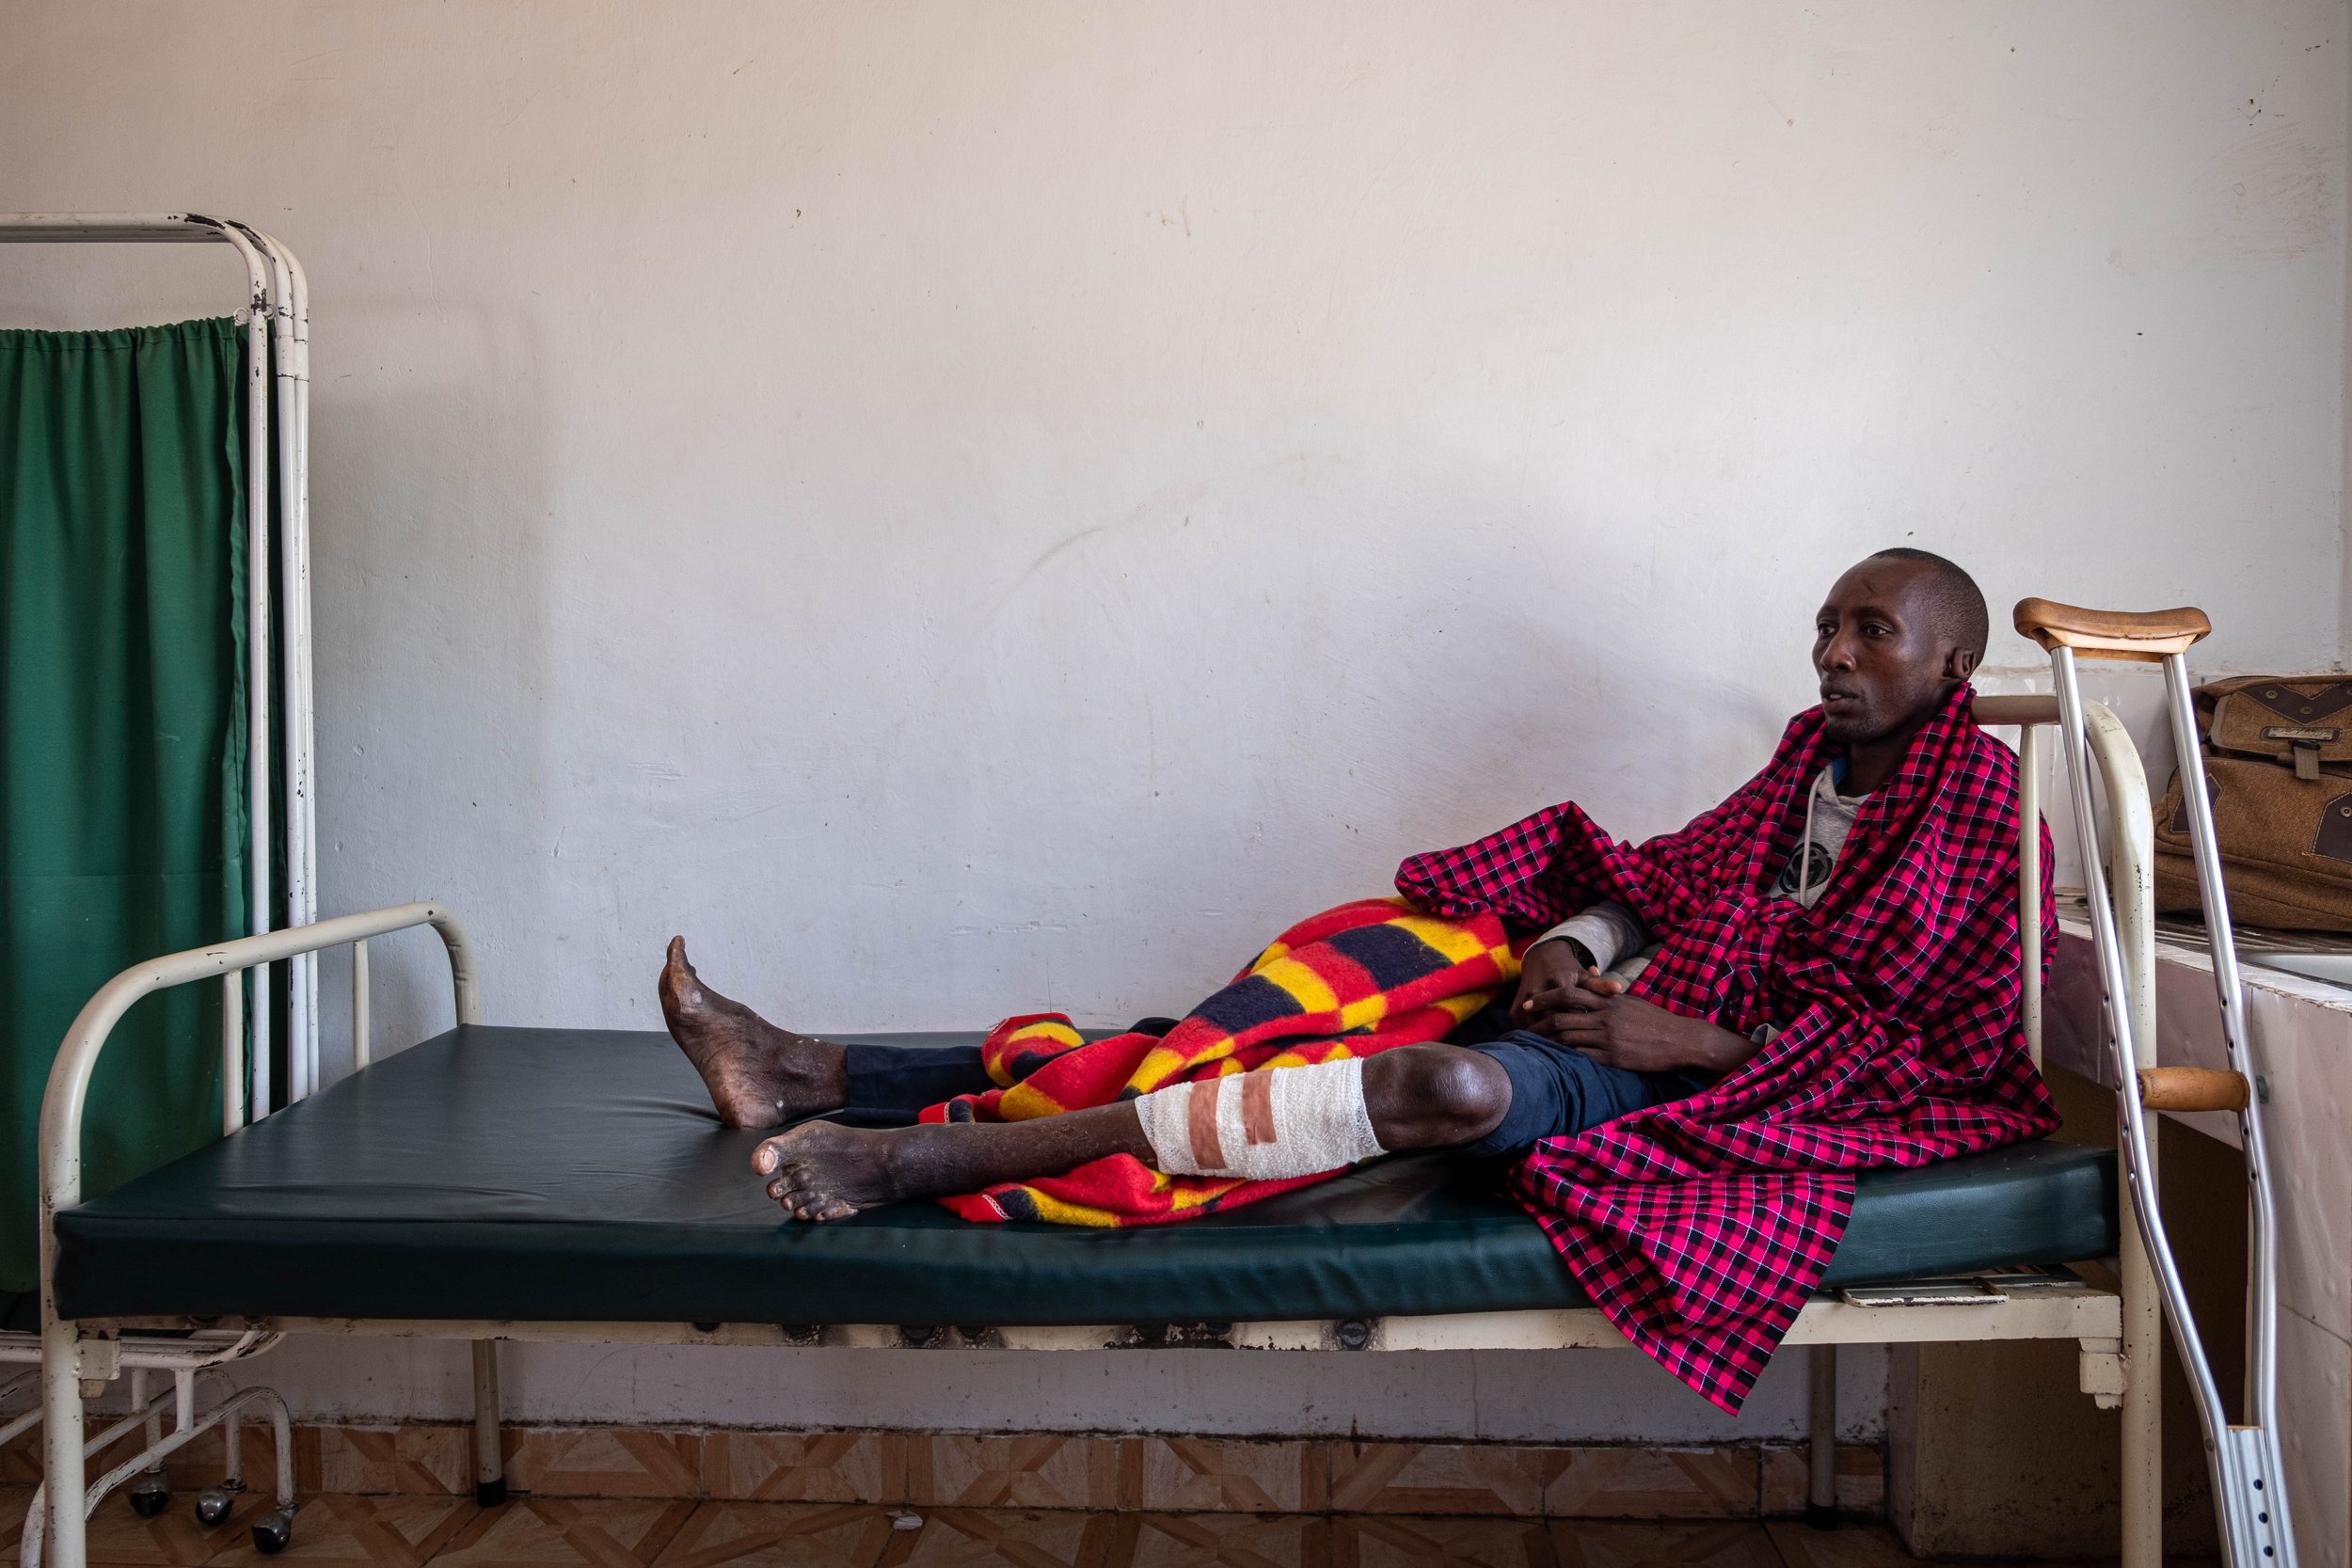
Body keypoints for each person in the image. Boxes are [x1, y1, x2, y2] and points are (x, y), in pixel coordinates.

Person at [659, 547, 1994, 1223]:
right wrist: (1578, 946)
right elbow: (1661, 880)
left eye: (1870, 630)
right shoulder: (1799, 773)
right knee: (1252, 1023)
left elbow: (1945, 1062)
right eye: (1824, 624)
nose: (1831, 651)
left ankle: (924, 1156)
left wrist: (1703, 1043)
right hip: (1606, 1018)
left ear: (1951, 666)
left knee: (1448, 1087)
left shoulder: (1990, 810)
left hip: (1677, 1073)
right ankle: (807, 1071)